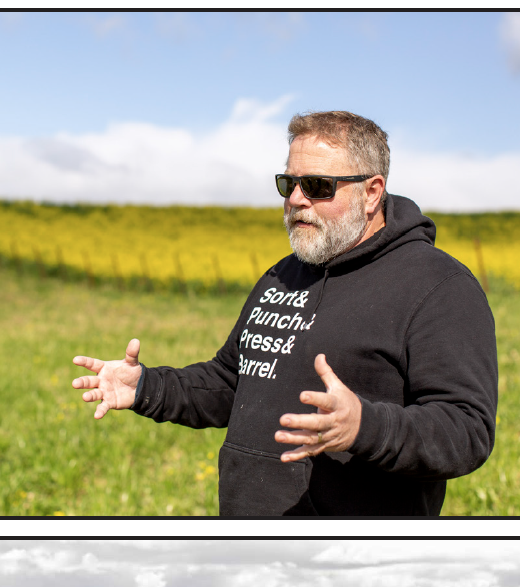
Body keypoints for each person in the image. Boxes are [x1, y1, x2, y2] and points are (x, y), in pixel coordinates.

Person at [71, 110, 497, 516]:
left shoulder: (439, 286)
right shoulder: (284, 274)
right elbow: (229, 384)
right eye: (288, 183)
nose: (296, 200)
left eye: (316, 185)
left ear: (372, 192)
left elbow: (467, 429)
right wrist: (147, 386)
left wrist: (365, 426)